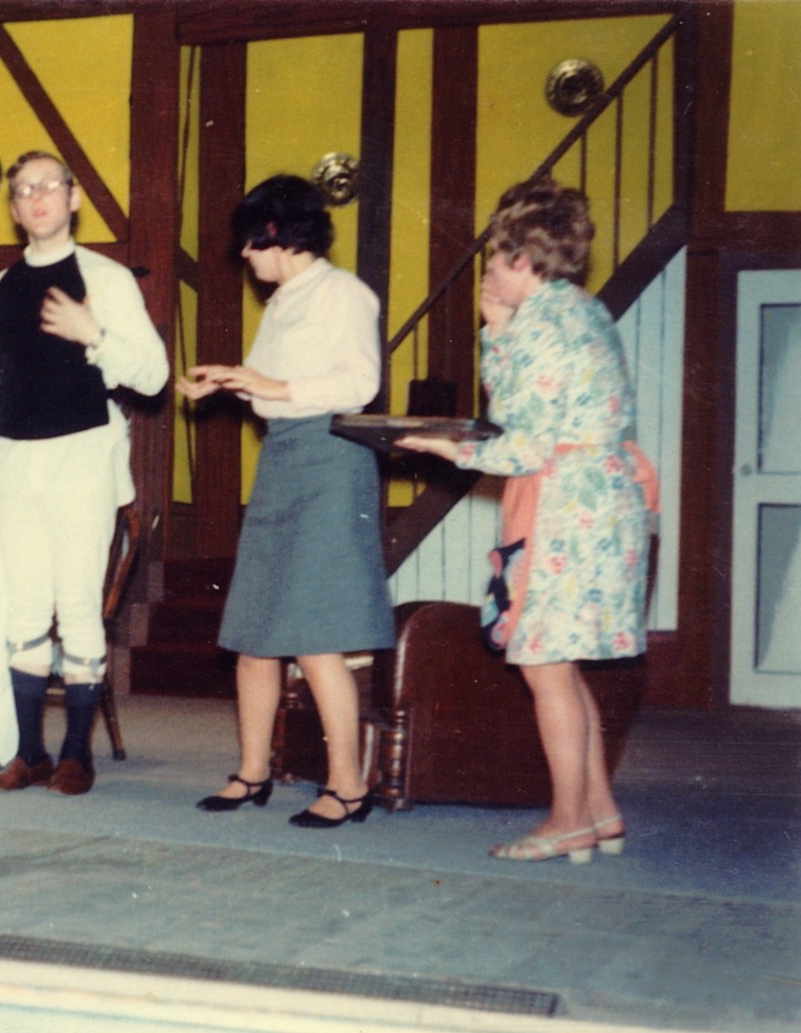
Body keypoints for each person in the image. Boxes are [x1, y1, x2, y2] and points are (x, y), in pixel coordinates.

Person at [398, 178, 657, 863]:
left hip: (565, 506)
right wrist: (496, 332)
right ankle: (598, 810)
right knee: (559, 663)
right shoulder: (582, 309)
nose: (488, 270)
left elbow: (520, 441)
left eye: (493, 257)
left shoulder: (541, 323)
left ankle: (567, 819)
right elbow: (524, 409)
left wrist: (441, 446)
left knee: (543, 663)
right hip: (599, 502)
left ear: (520, 257)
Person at [177, 174, 394, 828]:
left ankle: (348, 785)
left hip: (330, 459)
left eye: (251, 241)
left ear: (278, 232)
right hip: (281, 459)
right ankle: (252, 772)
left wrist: (266, 384)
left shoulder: (344, 293)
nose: (245, 255)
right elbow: (273, 387)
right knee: (254, 633)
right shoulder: (280, 303)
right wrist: (231, 384)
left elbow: (359, 384)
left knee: (316, 637)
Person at [0, 150, 169, 796]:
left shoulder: (107, 279)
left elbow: (154, 375)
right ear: (15, 209)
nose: (37, 197)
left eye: (48, 185)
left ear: (72, 198)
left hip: (82, 458)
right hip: (17, 461)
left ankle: (77, 754)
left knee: (77, 606)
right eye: (23, 190)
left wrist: (91, 332)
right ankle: (29, 754)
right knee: (23, 608)